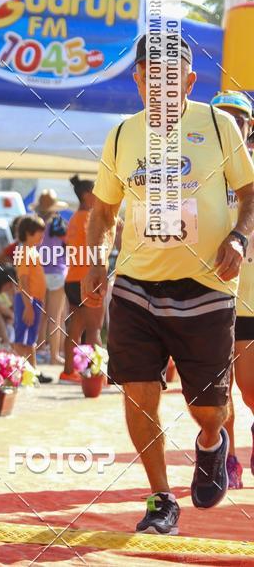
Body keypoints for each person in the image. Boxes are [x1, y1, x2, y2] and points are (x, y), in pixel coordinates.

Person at [83, 34, 254, 535]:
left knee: (208, 408)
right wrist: (95, 261)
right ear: (137, 80)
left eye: (170, 76)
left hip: (206, 286)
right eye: (149, 76)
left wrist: (240, 237)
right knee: (138, 392)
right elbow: (103, 211)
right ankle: (161, 498)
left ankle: (211, 442)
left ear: (189, 81)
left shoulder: (219, 127)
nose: (159, 85)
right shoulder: (121, 136)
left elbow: (250, 193)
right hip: (137, 284)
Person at [210, 91, 254, 489]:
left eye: (236, 118)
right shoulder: (198, 168)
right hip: (212, 295)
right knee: (219, 391)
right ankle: (228, 458)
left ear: (249, 126)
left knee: (251, 388)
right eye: (220, 116)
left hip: (252, 299)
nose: (228, 124)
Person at [60, 177, 102, 384]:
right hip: (88, 279)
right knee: (94, 328)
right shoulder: (90, 218)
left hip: (72, 279)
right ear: (86, 195)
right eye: (96, 192)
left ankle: (68, 371)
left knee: (75, 328)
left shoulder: (74, 218)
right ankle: (95, 374)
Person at [12, 215, 52, 384]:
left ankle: (32, 371)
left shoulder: (32, 251)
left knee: (30, 339)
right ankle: (17, 372)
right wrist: (28, 306)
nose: (43, 235)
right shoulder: (23, 252)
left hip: (34, 301)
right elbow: (24, 281)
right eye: (39, 232)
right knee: (21, 338)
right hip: (26, 301)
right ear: (28, 233)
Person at [32, 191, 68, 366]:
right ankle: (54, 356)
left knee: (40, 315)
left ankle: (38, 351)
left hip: (39, 272)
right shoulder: (61, 225)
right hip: (57, 272)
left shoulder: (34, 225)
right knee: (55, 317)